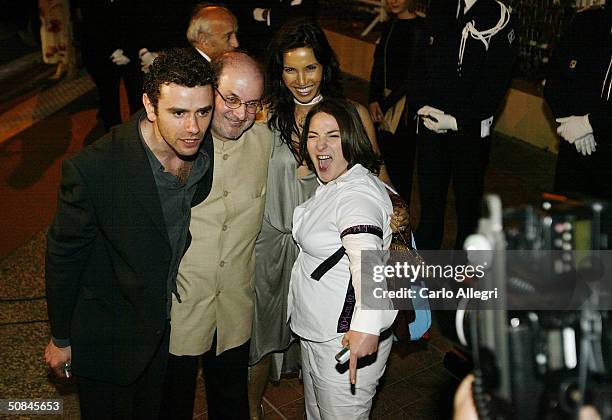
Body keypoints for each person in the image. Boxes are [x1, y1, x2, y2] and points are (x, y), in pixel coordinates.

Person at [44, 48, 215, 419]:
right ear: (150, 107)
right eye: (179, 113)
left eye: (203, 112)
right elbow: (63, 256)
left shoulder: (203, 150)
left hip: (166, 331)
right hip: (110, 338)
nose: (194, 128)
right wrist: (61, 338)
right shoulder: (95, 169)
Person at [248, 19, 396, 420]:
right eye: (290, 69)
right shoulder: (265, 116)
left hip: (335, 258)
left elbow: (382, 186)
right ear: (278, 73)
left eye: (310, 67)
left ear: (325, 67)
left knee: (330, 359)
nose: (301, 79)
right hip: (274, 248)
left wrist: (395, 234)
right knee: (261, 340)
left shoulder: (351, 115)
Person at [160, 51, 270, 420]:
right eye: (232, 99)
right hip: (180, 310)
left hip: (234, 310)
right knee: (171, 404)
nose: (241, 114)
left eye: (252, 103)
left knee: (230, 405)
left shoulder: (268, 144)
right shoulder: (178, 143)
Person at [290, 97, 397, 418]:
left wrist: (366, 326)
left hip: (344, 339)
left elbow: (367, 255)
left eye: (332, 135)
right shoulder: (339, 182)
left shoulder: (356, 196)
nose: (320, 145)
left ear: (352, 138)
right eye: (312, 136)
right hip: (321, 332)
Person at [413, 0, 517, 250]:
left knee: (468, 208)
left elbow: (497, 79)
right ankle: (424, 273)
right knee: (430, 206)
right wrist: (420, 105)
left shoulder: (499, 15)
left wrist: (458, 120)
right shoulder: (441, 7)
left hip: (469, 132)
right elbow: (420, 60)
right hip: (431, 125)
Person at [544, 4, 612, 200]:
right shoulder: (587, 22)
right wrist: (570, 122)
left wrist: (589, 123)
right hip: (573, 147)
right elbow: (554, 79)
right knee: (569, 222)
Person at [368, 0, 426, 204]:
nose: (393, 0)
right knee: (380, 164)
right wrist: (374, 98)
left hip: (405, 108)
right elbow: (378, 66)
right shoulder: (390, 25)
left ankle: (400, 224)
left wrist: (385, 104)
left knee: (400, 171)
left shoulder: (421, 29)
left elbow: (414, 75)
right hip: (383, 106)